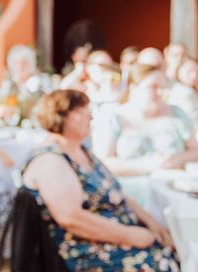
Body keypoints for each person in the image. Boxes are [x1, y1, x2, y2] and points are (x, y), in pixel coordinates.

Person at [21, 89, 179, 271]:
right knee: (161, 262)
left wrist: (152, 223)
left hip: (113, 238)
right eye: (81, 112)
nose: (90, 117)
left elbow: (116, 194)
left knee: (175, 247)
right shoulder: (50, 159)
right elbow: (70, 218)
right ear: (59, 116)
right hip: (84, 249)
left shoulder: (81, 151)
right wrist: (130, 235)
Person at [93, 64, 198, 204]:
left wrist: (176, 159)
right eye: (153, 87)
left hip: (175, 192)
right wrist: (149, 164)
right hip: (131, 197)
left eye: (163, 87)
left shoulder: (177, 114)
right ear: (133, 87)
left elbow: (194, 150)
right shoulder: (113, 117)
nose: (160, 92)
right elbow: (103, 162)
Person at [168, 59, 198, 125]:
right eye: (189, 71)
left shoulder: (178, 88)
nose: (194, 76)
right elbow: (193, 120)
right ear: (179, 70)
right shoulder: (185, 92)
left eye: (197, 71)